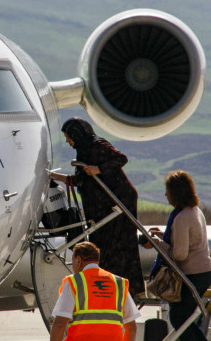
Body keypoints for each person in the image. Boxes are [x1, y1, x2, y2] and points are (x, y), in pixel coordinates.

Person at [49, 117, 144, 295]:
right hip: (101, 209)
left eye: (69, 137)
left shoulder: (98, 145)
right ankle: (108, 288)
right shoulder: (83, 151)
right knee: (101, 247)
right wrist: (53, 177)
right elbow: (79, 179)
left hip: (117, 204)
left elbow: (121, 158)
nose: (68, 142)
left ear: (77, 134)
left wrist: (98, 169)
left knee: (117, 249)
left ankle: (123, 290)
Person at [143, 170, 211, 341]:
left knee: (178, 319)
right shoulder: (195, 211)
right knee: (186, 321)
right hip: (203, 272)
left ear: (175, 192)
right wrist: (163, 236)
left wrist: (156, 244)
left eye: (167, 190)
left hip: (191, 275)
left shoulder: (182, 217)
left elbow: (179, 254)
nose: (165, 194)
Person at [50, 241, 139, 341]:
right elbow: (131, 328)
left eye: (73, 261)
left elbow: (59, 323)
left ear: (78, 260)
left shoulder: (74, 282)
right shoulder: (118, 283)